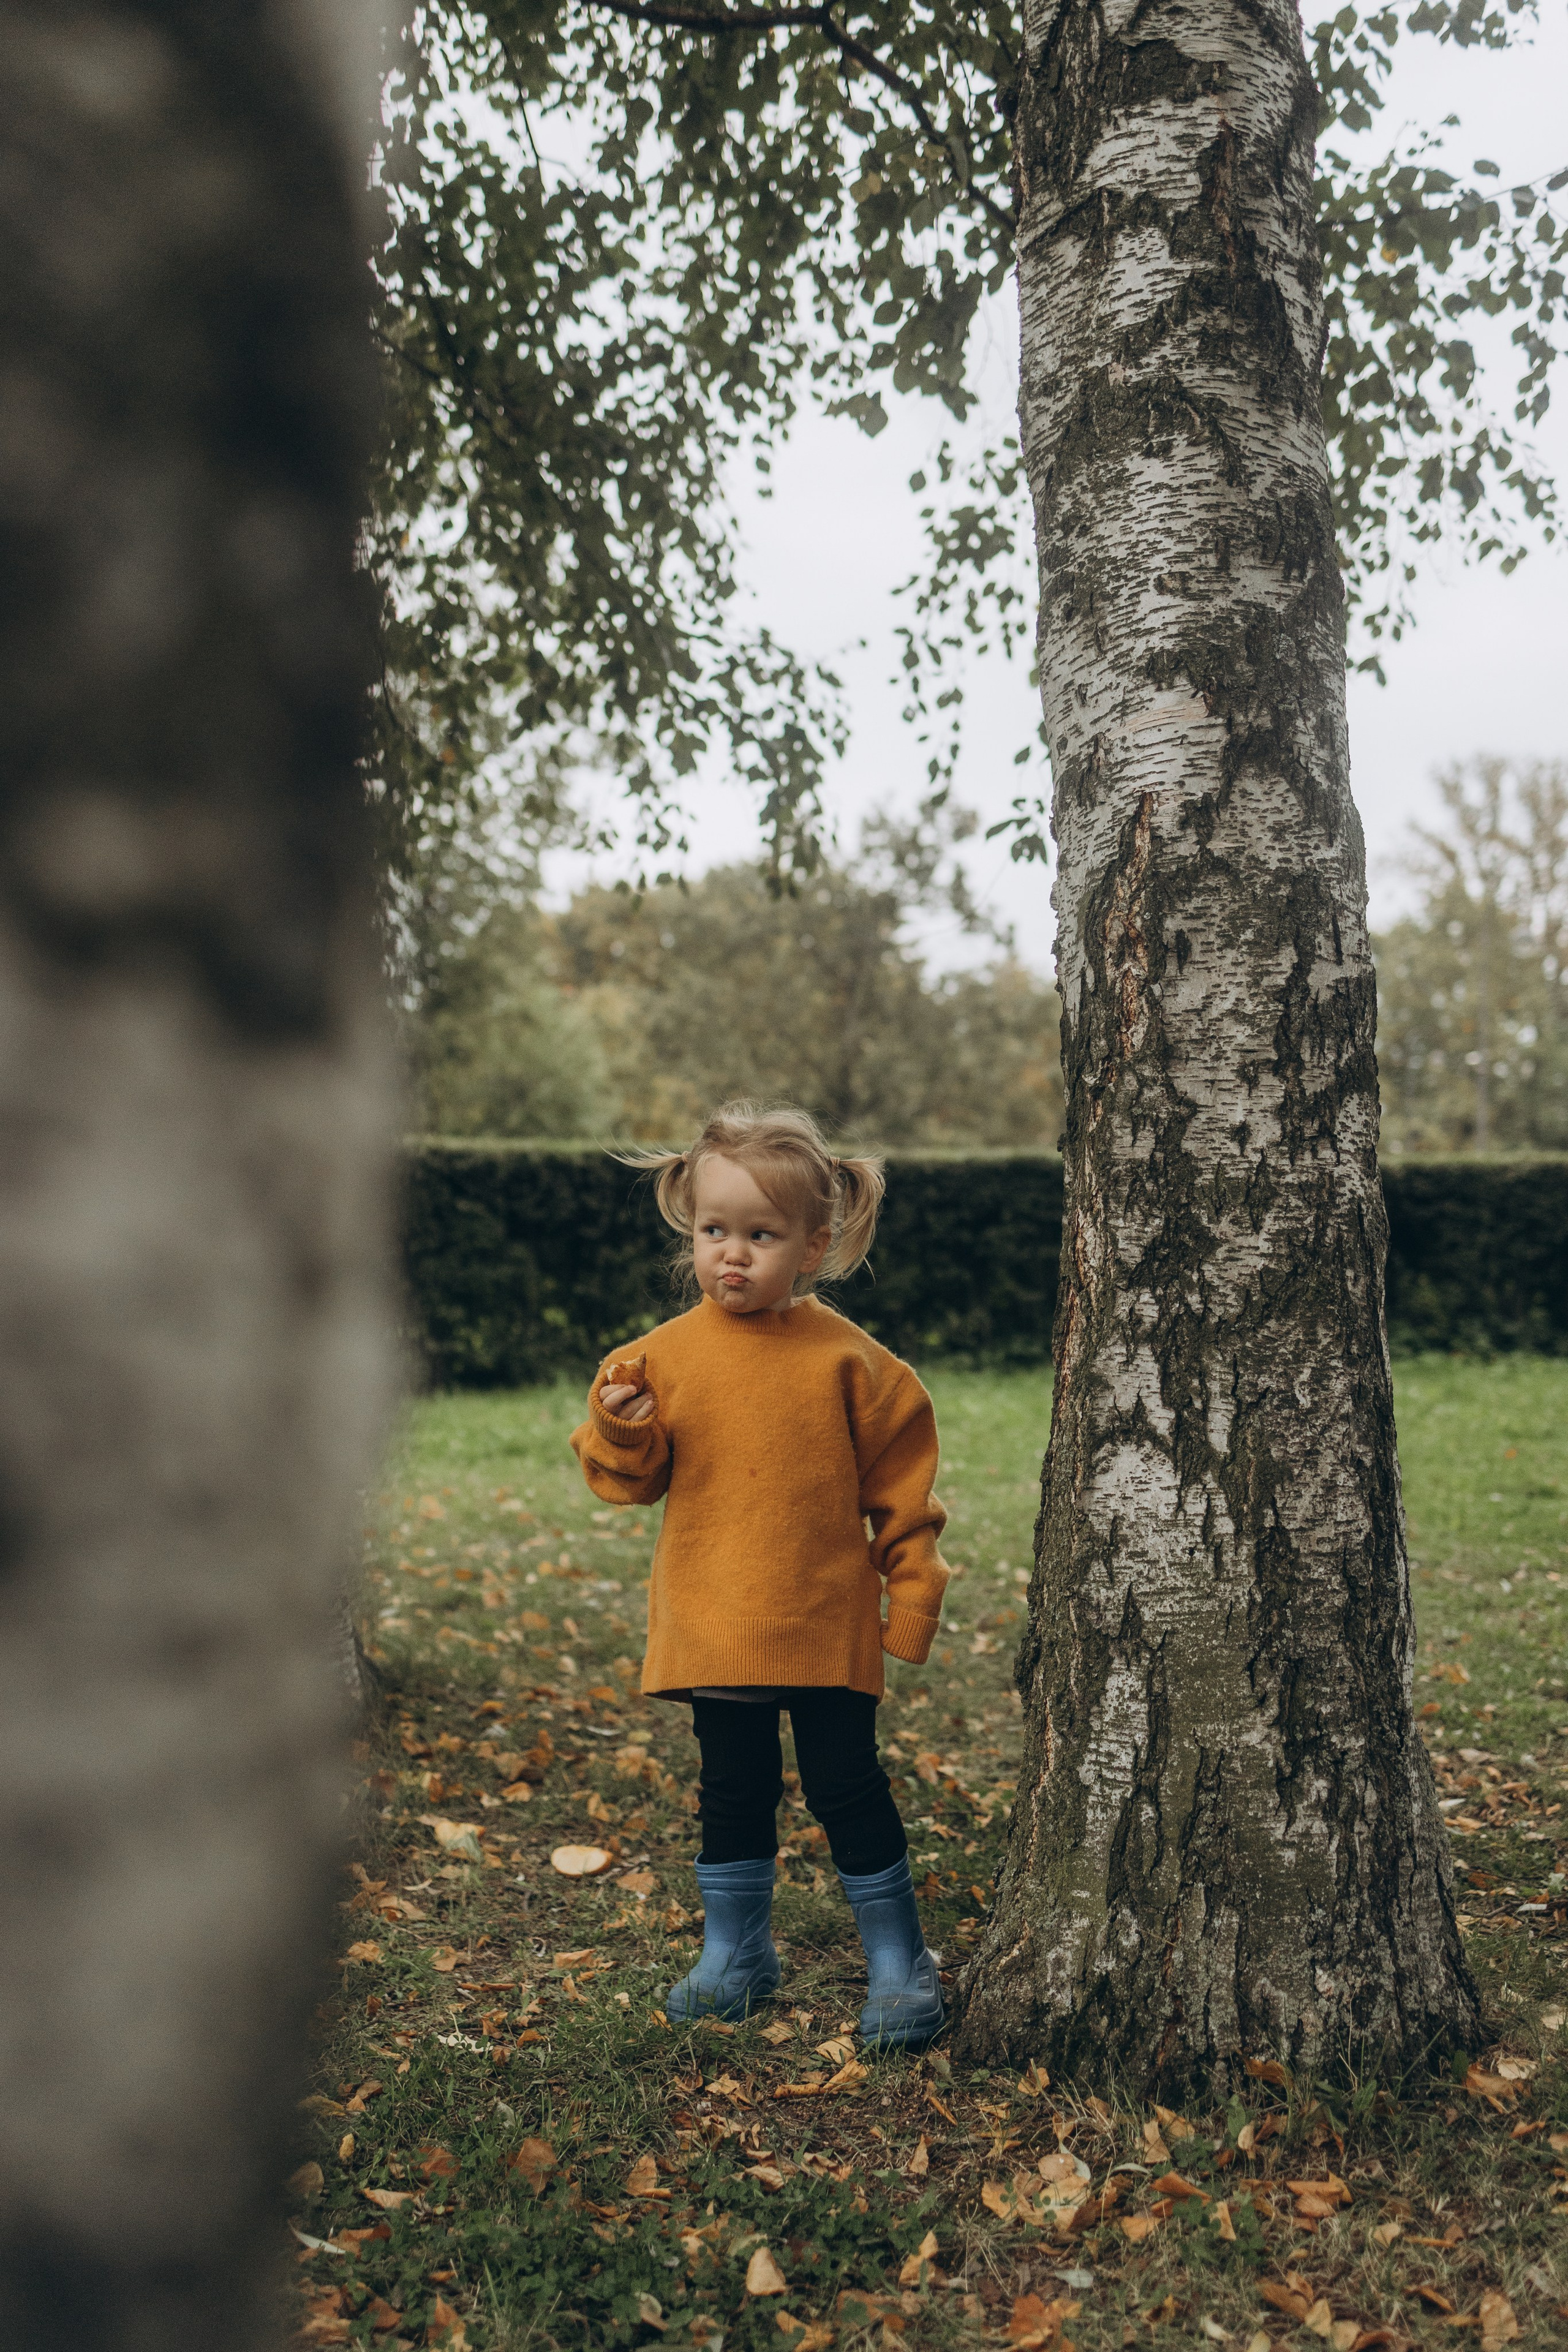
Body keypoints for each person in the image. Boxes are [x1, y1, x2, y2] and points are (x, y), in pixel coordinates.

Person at [569, 1101, 950, 2050]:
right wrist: (622, 1423)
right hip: (715, 1623)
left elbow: (905, 1503)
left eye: (760, 1235)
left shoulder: (858, 1367)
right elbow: (627, 1481)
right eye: (713, 1232)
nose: (731, 1255)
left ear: (813, 1245)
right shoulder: (659, 1357)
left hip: (824, 1625)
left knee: (848, 1788)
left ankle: (901, 1963)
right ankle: (737, 1953)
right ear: (689, 1230)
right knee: (731, 1792)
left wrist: (912, 1604)